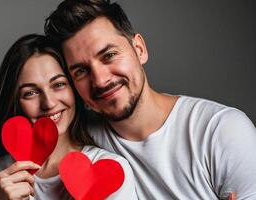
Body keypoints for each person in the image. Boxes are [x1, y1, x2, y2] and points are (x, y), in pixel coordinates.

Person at [42, 0, 256, 199]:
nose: (100, 80)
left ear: (140, 50)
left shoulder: (222, 130)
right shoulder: (80, 142)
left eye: (109, 55)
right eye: (81, 71)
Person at [0, 34, 138, 200]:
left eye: (58, 84)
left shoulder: (108, 171)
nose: (48, 103)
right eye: (30, 93)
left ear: (74, 89)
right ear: (15, 102)